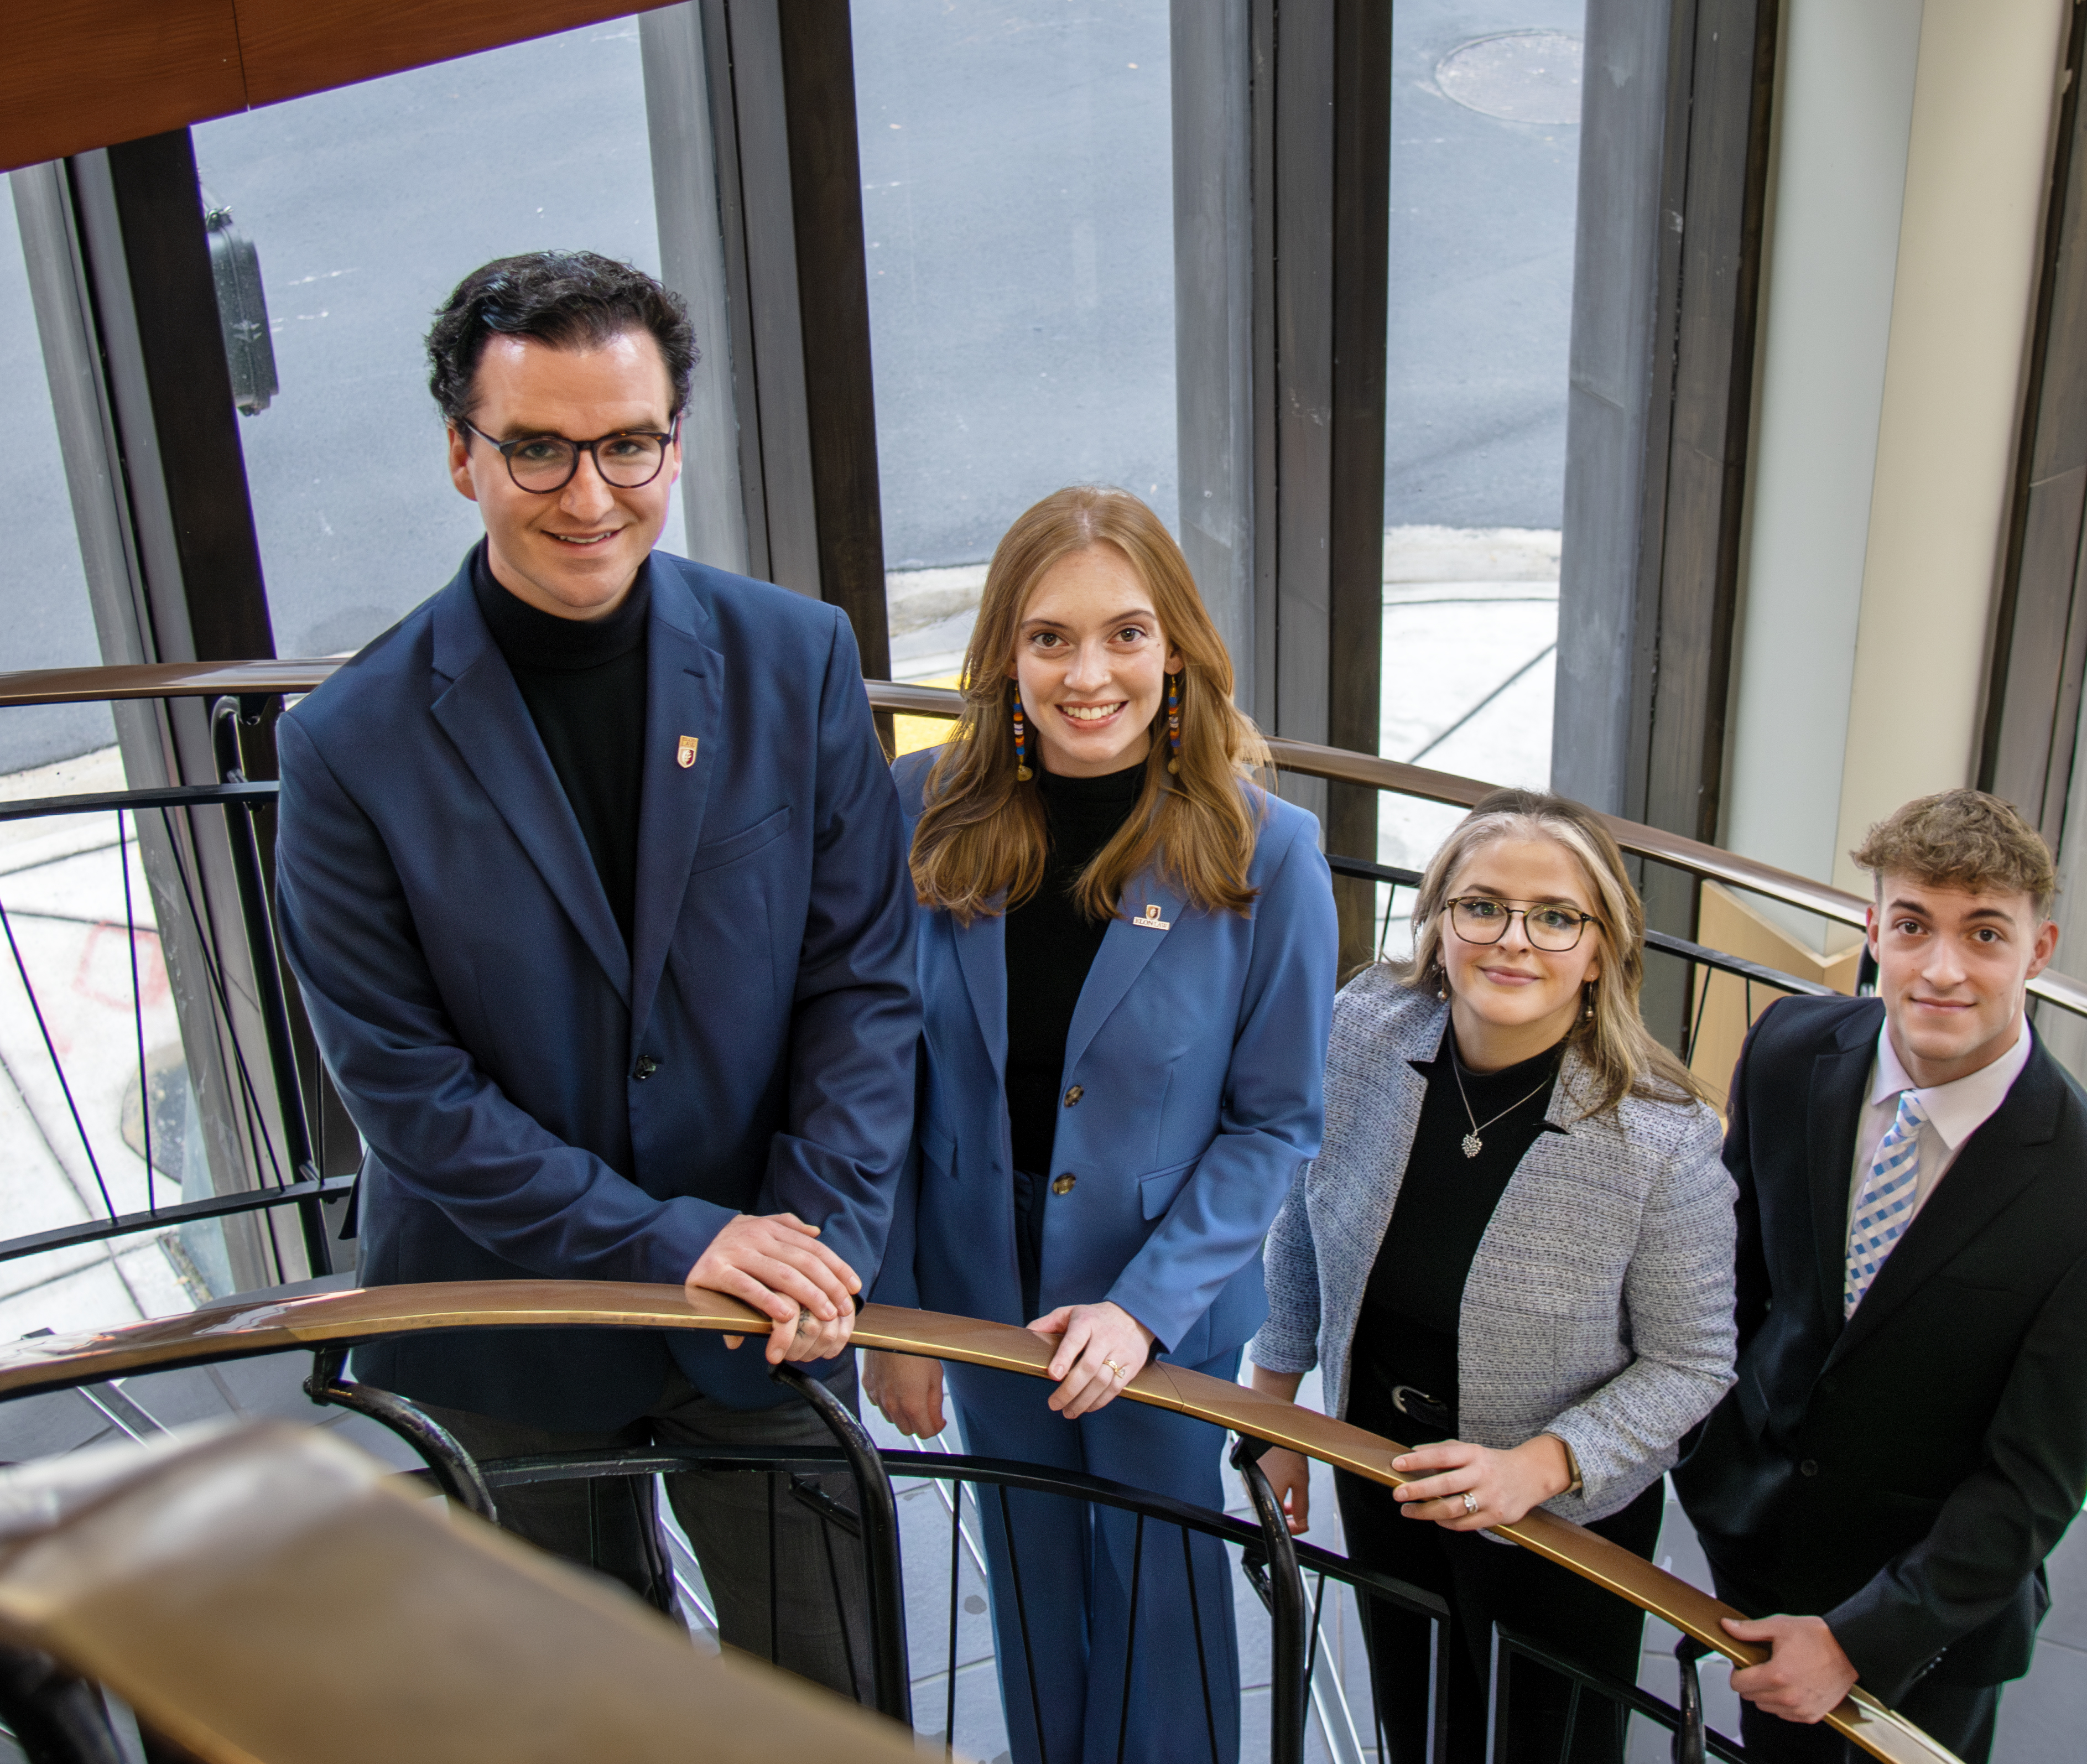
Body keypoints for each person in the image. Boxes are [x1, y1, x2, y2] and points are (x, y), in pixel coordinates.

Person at [273, 251, 920, 1692]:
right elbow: (409, 1090)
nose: (589, 492)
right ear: (461, 453)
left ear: (673, 440)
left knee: (828, 1705)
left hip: (768, 1297)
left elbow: (861, 979)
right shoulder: (346, 746)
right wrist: (668, 1239)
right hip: (500, 1325)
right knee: (572, 1716)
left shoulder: (794, 656)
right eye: (539, 448)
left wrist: (823, 1230)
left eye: (628, 443)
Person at [860, 484, 1337, 1764]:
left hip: (1160, 1296)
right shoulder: (918, 809)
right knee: (1026, 1575)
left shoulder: (1267, 850)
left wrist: (1142, 1306)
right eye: (1049, 636)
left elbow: (1277, 1121)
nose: (1088, 674)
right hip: (975, 1279)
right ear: (1003, 654)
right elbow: (878, 1083)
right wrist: (892, 1315)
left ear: (1174, 645)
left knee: (1159, 1586)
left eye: (1124, 633)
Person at [1673, 790, 2087, 1763]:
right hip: (1756, 1544)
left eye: (1984, 933)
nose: (1942, 968)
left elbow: (2030, 1486)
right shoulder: (1787, 1051)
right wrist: (1709, 1453)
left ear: (2038, 948)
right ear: (1873, 930)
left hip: (1929, 1627)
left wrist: (1860, 1639)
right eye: (1913, 926)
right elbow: (1727, 1283)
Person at [1249, 788, 1737, 1764]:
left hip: (1559, 1520)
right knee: (1415, 1719)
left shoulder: (1664, 1137)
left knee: (1540, 1747)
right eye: (1483, 905)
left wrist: (1540, 1466)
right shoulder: (1365, 1028)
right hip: (1383, 1464)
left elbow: (1695, 1363)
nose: (1514, 940)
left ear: (1602, 950)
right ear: (1438, 922)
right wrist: (1275, 1419)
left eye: (1556, 917)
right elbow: (1306, 1216)